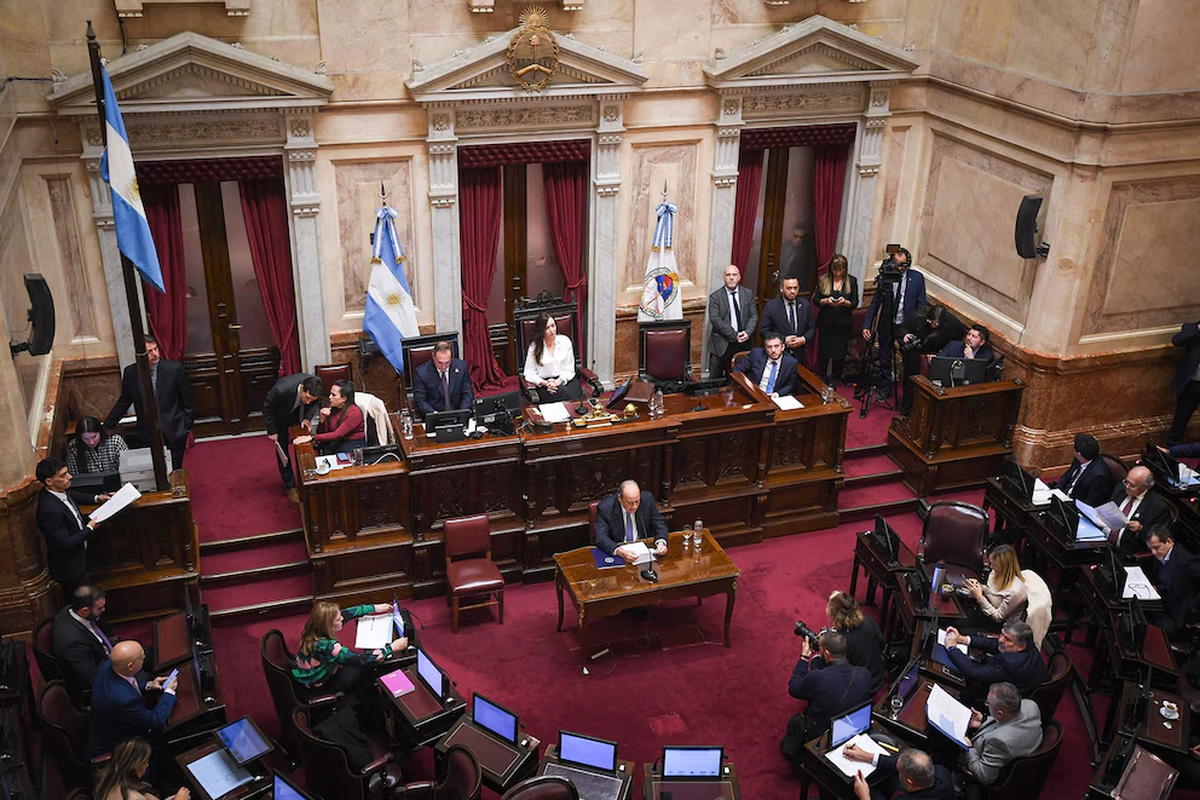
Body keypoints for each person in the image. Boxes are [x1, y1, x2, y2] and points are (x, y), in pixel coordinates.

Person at [104, 335, 194, 470]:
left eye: (156, 349)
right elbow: (124, 401)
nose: (155, 354)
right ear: (139, 354)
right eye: (149, 351)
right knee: (154, 469)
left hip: (174, 429)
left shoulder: (174, 369)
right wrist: (108, 425)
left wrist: (186, 425)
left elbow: (188, 399)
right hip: (148, 432)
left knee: (176, 469)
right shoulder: (131, 373)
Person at [292, 601, 407, 698]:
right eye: (338, 619)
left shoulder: (312, 627)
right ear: (328, 626)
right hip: (319, 685)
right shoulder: (330, 647)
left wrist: (376, 608)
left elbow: (347, 613)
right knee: (364, 668)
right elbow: (360, 659)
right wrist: (391, 648)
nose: (342, 618)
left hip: (304, 675)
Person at [88, 640, 177, 759]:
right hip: (120, 743)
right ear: (130, 666)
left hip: (104, 724)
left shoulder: (109, 665)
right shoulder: (124, 699)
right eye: (141, 656)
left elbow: (129, 684)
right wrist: (169, 692)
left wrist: (148, 685)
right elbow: (154, 721)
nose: (144, 656)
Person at [36, 457, 109, 597]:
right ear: (49, 481)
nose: (70, 477)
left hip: (81, 558)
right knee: (82, 601)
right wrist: (90, 528)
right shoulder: (49, 509)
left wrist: (97, 498)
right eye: (63, 475)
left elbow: (72, 495)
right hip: (70, 568)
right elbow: (67, 543)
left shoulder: (57, 491)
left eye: (67, 472)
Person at [861, 247, 927, 401]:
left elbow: (921, 305)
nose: (899, 267)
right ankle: (885, 386)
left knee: (909, 358)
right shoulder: (887, 276)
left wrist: (915, 327)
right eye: (896, 264)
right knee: (885, 355)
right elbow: (875, 301)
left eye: (902, 265)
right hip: (887, 322)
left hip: (906, 325)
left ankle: (907, 393)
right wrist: (867, 324)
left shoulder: (917, 278)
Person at [786, 630, 873, 741]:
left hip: (822, 733)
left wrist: (804, 658)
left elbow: (794, 688)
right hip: (851, 726)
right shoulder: (864, 674)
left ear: (827, 654)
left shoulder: (818, 677)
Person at [961, 682, 1043, 796]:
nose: (987, 705)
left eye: (988, 704)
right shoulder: (1030, 705)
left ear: (999, 713)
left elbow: (984, 776)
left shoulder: (1000, 742)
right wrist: (984, 720)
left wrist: (969, 748)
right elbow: (1004, 722)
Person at [942, 622, 1048, 708]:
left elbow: (972, 672)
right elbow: (995, 644)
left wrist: (951, 648)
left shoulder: (1010, 663)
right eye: (1002, 634)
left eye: (1007, 639)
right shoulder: (1027, 645)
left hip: (1009, 702)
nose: (1001, 639)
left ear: (1021, 647)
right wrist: (963, 639)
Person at [51, 584, 124, 701]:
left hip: (109, 652)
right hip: (106, 671)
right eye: (99, 608)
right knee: (146, 677)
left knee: (149, 653)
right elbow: (92, 678)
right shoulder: (74, 643)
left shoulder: (73, 609)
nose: (103, 610)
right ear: (84, 611)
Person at [263, 374, 323, 503]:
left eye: (311, 399)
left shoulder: (314, 386)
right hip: (280, 415)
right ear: (302, 389)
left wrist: (307, 418)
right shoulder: (280, 390)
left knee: (302, 444)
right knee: (282, 449)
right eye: (307, 398)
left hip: (298, 413)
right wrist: (272, 431)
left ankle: (305, 479)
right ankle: (290, 485)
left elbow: (314, 403)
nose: (308, 401)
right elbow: (267, 407)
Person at [896, 305, 965, 415]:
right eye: (931, 322)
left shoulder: (953, 325)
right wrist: (905, 335)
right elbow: (901, 328)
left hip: (936, 355)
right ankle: (906, 409)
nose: (933, 325)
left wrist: (941, 354)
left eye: (936, 323)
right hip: (914, 351)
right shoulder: (919, 316)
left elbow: (956, 342)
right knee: (910, 380)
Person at [826, 590, 886, 694]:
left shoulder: (840, 640)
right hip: (879, 677)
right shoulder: (868, 620)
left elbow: (839, 670)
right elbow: (882, 644)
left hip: (862, 687)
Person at [593, 480, 669, 563]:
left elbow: (659, 524)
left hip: (643, 554)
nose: (634, 506)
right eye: (630, 503)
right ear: (620, 498)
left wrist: (661, 542)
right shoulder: (605, 507)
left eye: (637, 501)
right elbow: (601, 537)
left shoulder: (647, 499)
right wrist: (620, 552)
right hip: (619, 555)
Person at [1144, 527, 1200, 638]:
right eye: (1151, 548)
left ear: (1169, 542)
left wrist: (1194, 608)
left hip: (1176, 614)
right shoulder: (1160, 554)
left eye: (1156, 548)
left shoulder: (1186, 560)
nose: (1153, 552)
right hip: (1160, 600)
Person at [93, 738, 190, 800]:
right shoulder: (134, 797)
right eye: (144, 763)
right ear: (135, 765)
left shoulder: (109, 781)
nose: (147, 765)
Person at [843, 747, 954, 800]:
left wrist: (864, 796)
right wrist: (867, 756)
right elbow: (900, 764)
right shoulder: (941, 771)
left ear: (909, 782)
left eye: (901, 772)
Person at [813, 254, 858, 385]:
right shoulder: (824, 279)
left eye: (840, 270)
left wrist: (845, 303)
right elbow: (816, 300)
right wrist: (826, 300)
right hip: (826, 322)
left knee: (839, 353)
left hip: (843, 323)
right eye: (835, 270)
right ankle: (823, 376)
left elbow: (855, 303)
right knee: (824, 351)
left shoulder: (852, 281)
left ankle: (834, 378)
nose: (838, 273)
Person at [961, 544, 1027, 633]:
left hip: (999, 626)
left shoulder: (1016, 591)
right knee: (954, 622)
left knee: (962, 630)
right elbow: (990, 592)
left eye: (994, 564)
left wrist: (980, 597)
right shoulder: (995, 573)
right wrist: (978, 585)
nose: (990, 567)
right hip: (985, 612)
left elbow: (998, 617)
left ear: (1004, 567)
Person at [707, 264, 757, 378]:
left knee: (746, 375)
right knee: (715, 378)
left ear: (739, 277)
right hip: (723, 341)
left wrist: (747, 332)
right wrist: (734, 335)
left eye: (734, 275)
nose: (731, 278)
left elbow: (753, 315)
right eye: (728, 275)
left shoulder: (748, 293)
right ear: (724, 277)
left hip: (745, 340)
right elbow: (715, 319)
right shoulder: (715, 297)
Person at [1107, 466, 1170, 554]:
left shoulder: (1157, 507)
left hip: (1125, 552)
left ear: (1146, 487)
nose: (1127, 487)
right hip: (1102, 541)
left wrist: (1141, 530)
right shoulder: (1120, 488)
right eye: (1126, 482)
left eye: (1132, 485)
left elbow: (1155, 540)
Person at [523, 312, 582, 401]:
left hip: (566, 380)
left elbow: (569, 368)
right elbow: (529, 373)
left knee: (568, 392)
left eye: (553, 326)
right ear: (541, 330)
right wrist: (546, 383)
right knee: (563, 393)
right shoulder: (534, 347)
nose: (552, 330)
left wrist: (559, 381)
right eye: (547, 328)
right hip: (545, 385)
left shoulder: (565, 341)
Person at [298, 380, 365, 455]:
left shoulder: (355, 413)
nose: (330, 397)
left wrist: (311, 437)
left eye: (334, 395)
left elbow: (337, 434)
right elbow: (323, 433)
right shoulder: (333, 408)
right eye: (330, 394)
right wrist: (322, 420)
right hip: (336, 442)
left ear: (344, 398)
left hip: (351, 445)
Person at [1049, 433, 1114, 507]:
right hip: (1063, 498)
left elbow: (1089, 503)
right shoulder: (1079, 458)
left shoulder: (1100, 476)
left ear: (1079, 454)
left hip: (1074, 507)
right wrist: (1056, 492)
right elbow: (1066, 477)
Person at [759, 276, 814, 363]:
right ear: (781, 288)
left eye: (795, 288)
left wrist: (803, 339)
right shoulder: (771, 306)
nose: (792, 291)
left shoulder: (805, 305)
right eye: (789, 288)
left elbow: (811, 328)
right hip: (778, 354)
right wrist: (783, 340)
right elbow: (763, 331)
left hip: (800, 355)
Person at [414, 341, 474, 418]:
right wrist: (434, 415)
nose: (443, 367)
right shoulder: (421, 373)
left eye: (447, 362)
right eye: (440, 362)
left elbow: (468, 393)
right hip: (434, 417)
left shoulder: (461, 367)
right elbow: (420, 401)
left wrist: (462, 413)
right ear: (433, 356)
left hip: (458, 415)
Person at [733, 332, 800, 397]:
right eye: (769, 347)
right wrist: (746, 386)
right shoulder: (756, 354)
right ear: (765, 348)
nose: (773, 350)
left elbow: (790, 384)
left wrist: (777, 394)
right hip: (753, 393)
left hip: (775, 396)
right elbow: (737, 369)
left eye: (776, 346)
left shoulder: (791, 362)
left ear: (782, 347)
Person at [1168, 320, 1200, 446]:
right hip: (1192, 385)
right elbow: (1177, 341)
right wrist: (1197, 328)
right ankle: (1171, 452)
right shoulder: (1192, 329)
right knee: (1180, 421)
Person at [782, 224, 816, 292]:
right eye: (796, 236)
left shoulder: (805, 253)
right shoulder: (784, 246)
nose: (798, 240)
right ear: (791, 235)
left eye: (801, 237)